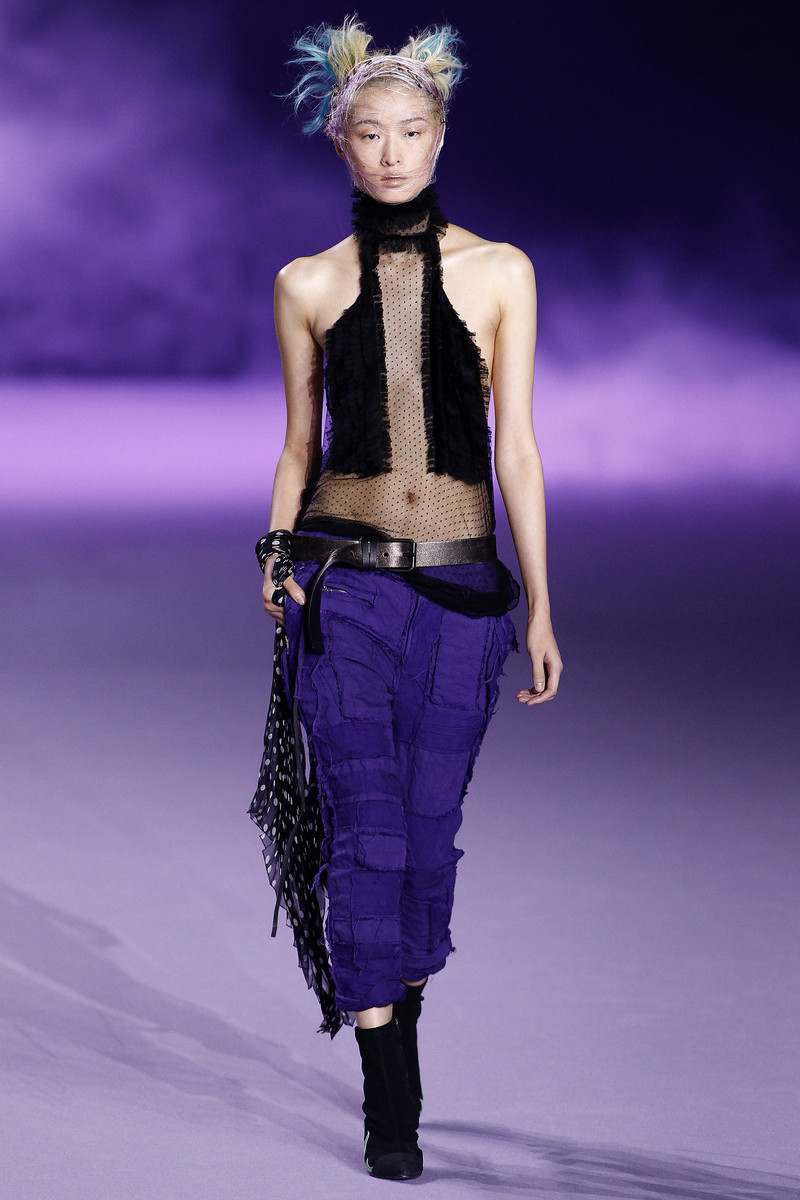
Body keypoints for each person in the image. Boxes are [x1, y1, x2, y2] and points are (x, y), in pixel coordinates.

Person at [250, 16, 562, 1181]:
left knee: (425, 844)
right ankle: (392, 1108)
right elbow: (298, 444)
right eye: (370, 133)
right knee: (366, 834)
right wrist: (273, 558)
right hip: (344, 594)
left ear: (440, 135)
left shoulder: (500, 272)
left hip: (463, 598)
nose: (390, 153)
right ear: (340, 141)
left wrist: (541, 605)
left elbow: (515, 448)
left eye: (411, 132)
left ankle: (396, 1027)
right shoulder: (305, 283)